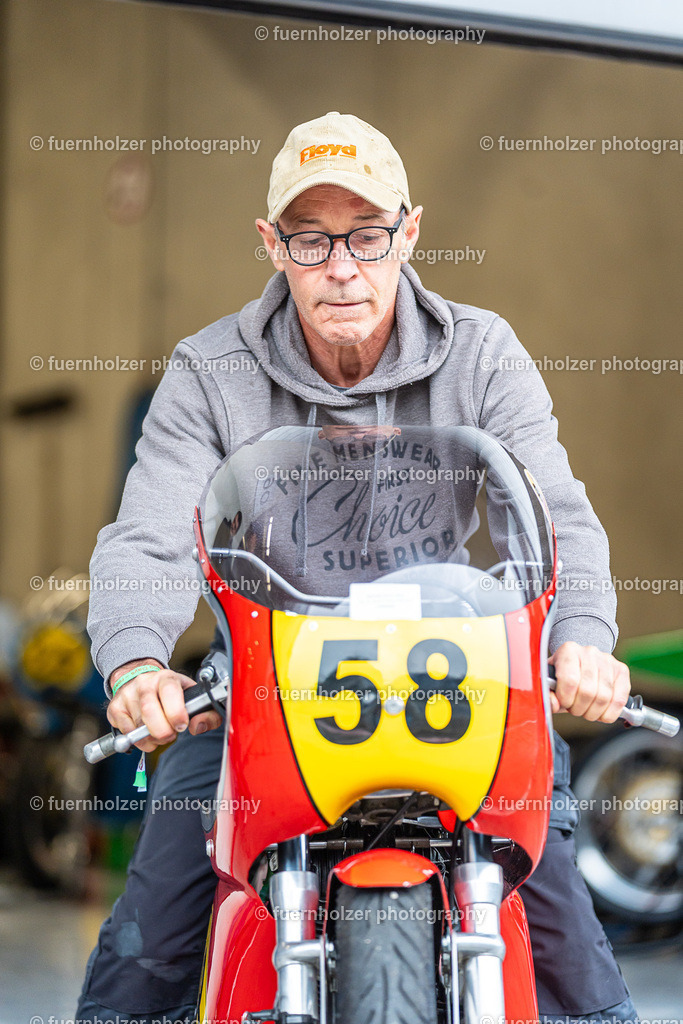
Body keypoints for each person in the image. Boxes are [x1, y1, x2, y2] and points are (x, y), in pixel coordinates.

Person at [76, 112, 637, 1024]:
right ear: (271, 244)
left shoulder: (482, 353)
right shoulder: (208, 373)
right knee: (149, 946)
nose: (342, 265)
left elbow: (553, 514)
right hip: (264, 693)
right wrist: (137, 661)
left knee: (568, 941)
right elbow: (147, 533)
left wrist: (579, 640)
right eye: (310, 237)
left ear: (408, 233)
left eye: (367, 235)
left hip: (458, 686)